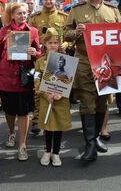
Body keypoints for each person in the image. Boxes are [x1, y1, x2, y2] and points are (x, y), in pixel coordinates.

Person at [64, 0, 121, 161]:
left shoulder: (113, 11)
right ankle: (89, 145)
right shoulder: (76, 10)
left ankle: (96, 137)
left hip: (107, 64)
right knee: (87, 103)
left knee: (102, 103)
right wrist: (75, 32)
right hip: (84, 63)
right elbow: (64, 33)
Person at [0, 2, 40, 161]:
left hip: (24, 78)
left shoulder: (33, 31)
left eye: (25, 13)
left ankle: (22, 145)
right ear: (12, 15)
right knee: (10, 111)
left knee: (24, 112)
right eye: (19, 13)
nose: (23, 16)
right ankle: (12, 133)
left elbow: (39, 53)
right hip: (6, 77)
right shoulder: (4, 31)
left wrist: (35, 52)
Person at [29, 0, 69, 134]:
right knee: (39, 88)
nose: (48, 1)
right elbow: (30, 37)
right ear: (42, 0)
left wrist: (64, 45)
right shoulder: (35, 18)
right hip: (41, 57)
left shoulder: (63, 17)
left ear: (55, 0)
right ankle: (37, 119)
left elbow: (68, 36)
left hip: (60, 56)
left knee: (59, 88)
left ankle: (58, 119)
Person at [34, 28, 72, 167]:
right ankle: (47, 151)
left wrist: (61, 93)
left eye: (55, 42)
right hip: (46, 98)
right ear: (44, 44)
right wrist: (45, 94)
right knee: (48, 126)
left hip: (61, 99)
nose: (53, 45)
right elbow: (37, 79)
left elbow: (69, 80)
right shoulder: (40, 62)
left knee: (58, 126)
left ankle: (56, 153)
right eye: (49, 42)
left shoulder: (66, 60)